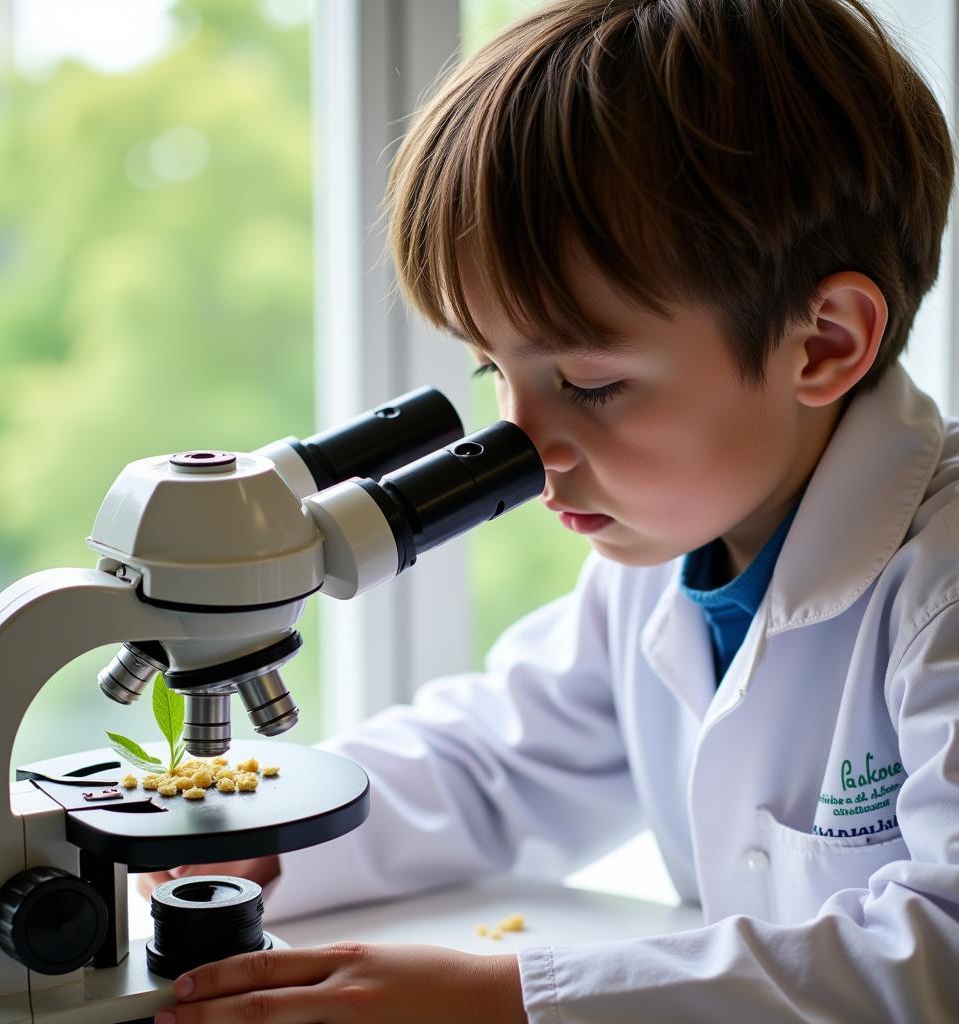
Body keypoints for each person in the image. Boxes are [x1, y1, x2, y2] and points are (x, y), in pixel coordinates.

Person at [149, 1, 959, 1020]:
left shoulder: (940, 587)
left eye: (587, 382)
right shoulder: (664, 567)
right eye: (494, 366)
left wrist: (516, 1001)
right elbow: (492, 763)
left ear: (822, 343)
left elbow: (941, 951)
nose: (524, 450)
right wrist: (259, 836)